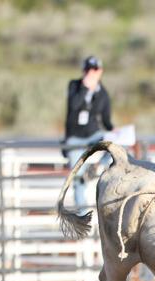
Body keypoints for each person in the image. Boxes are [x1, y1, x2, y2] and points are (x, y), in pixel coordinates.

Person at [63, 55, 114, 211]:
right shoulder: (74, 86)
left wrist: (114, 130)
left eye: (95, 70)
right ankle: (82, 216)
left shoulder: (103, 93)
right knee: (77, 180)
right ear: (83, 71)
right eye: (88, 70)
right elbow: (73, 106)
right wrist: (85, 88)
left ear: (100, 71)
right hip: (75, 138)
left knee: (114, 146)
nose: (91, 73)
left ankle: (98, 168)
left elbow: (106, 120)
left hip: (93, 135)